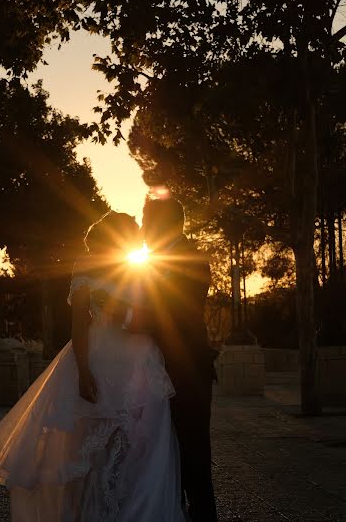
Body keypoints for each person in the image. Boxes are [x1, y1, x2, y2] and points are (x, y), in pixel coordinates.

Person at [0, 211, 185, 522]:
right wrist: (83, 370)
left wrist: (124, 312)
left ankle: (136, 510)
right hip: (98, 356)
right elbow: (80, 324)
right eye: (133, 230)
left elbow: (155, 312)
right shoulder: (86, 265)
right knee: (87, 448)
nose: (139, 236)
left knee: (143, 442)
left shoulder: (140, 267)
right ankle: (93, 511)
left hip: (140, 361)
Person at [137, 197, 218, 522]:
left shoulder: (188, 259)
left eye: (145, 221)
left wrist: (126, 320)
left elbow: (173, 316)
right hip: (163, 371)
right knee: (169, 455)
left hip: (185, 371)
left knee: (193, 454)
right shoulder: (155, 260)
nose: (142, 229)